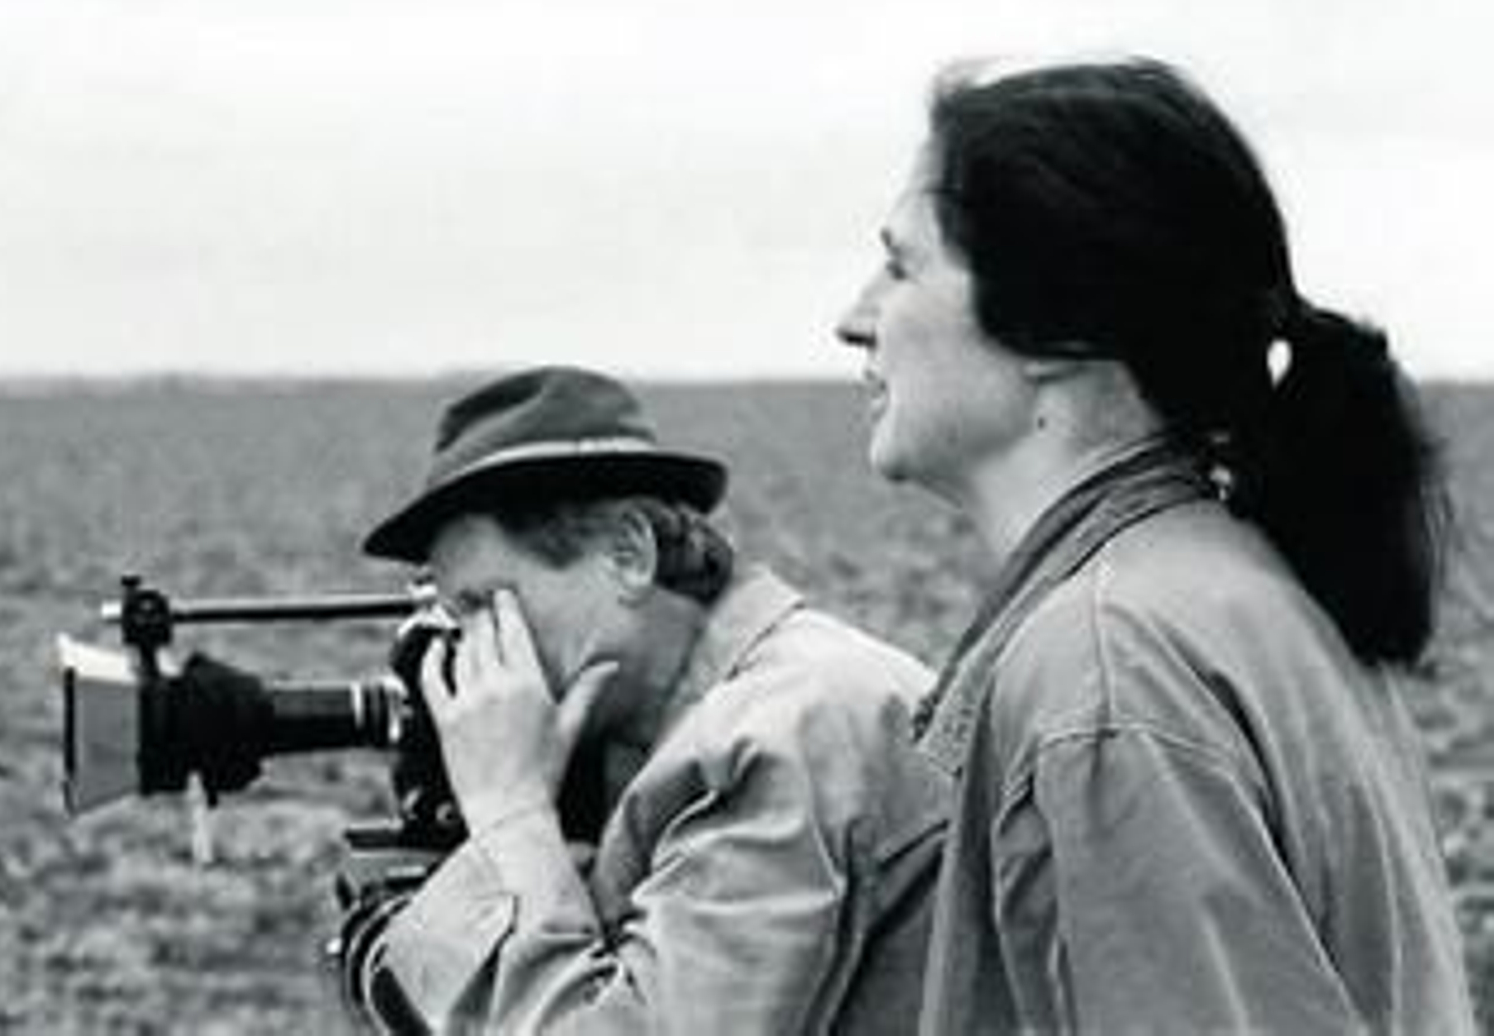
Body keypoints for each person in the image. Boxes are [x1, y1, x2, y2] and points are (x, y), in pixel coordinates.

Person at [836, 55, 1476, 1035]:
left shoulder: (1106, 664)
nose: (853, 318)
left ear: (1051, 327)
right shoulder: (1235, 582)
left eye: (901, 265)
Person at [346, 364, 949, 1034]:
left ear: (629, 554)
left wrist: (509, 813)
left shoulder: (781, 732)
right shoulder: (721, 708)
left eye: (487, 607)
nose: (473, 657)